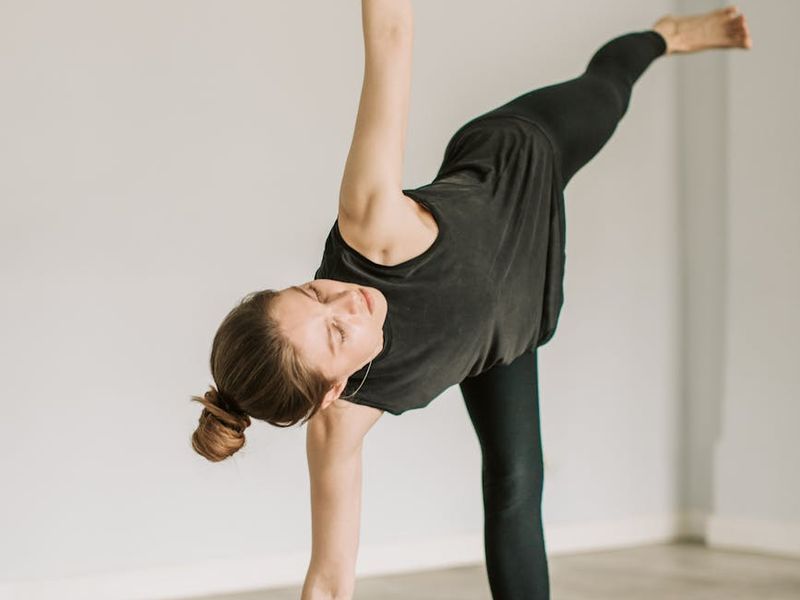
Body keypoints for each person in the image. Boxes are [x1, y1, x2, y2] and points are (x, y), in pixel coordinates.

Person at [190, 3, 752, 598]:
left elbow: (390, 34)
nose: (349, 301)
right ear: (333, 392)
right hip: (500, 333)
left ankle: (664, 36)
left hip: (519, 160)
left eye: (313, 291)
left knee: (609, 89)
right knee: (515, 485)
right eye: (334, 334)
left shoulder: (370, 220)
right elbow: (330, 582)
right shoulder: (339, 427)